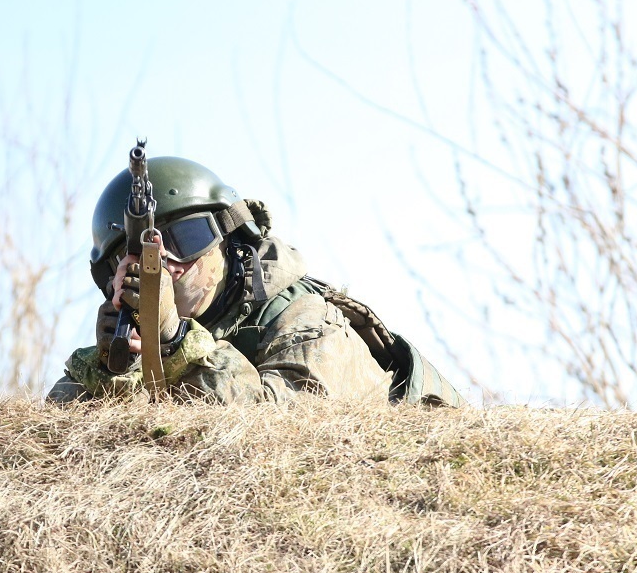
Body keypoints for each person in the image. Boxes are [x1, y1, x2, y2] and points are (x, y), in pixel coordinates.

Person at [47, 155, 465, 406]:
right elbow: (56, 441)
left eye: (187, 239)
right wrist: (114, 369)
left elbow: (277, 434)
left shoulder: (305, 318)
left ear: (229, 239)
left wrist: (175, 340)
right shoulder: (131, 338)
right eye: (134, 258)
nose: (167, 266)